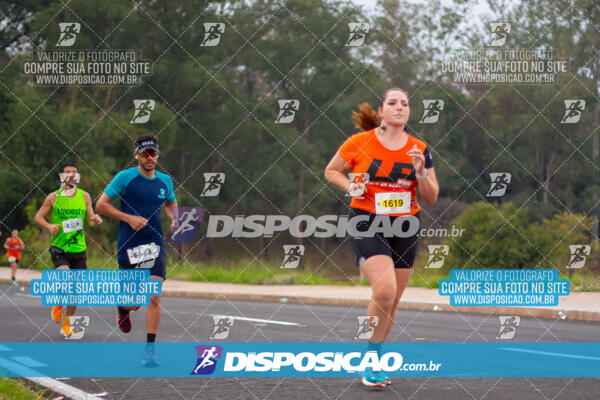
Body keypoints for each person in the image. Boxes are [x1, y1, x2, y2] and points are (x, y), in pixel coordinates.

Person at [324, 88, 439, 387]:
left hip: (405, 225)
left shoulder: (419, 148)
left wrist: (421, 172)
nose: (400, 107)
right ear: (381, 111)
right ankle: (369, 363)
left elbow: (431, 196)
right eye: (393, 103)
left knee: (393, 299)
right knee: (384, 290)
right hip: (367, 220)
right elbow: (332, 171)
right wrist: (350, 187)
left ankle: (374, 357)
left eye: (405, 103)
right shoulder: (359, 142)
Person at [96, 134, 177, 367]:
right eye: (145, 153)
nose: (150, 158)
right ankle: (123, 309)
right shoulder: (125, 178)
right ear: (137, 155)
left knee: (154, 295)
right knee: (133, 301)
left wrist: (174, 218)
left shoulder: (165, 181)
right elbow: (100, 205)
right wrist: (128, 218)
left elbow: (171, 203)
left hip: (154, 244)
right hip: (129, 246)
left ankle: (149, 350)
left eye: (153, 153)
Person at [34, 164, 103, 337]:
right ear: (61, 177)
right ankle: (58, 302)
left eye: (74, 173)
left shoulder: (85, 196)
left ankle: (67, 323)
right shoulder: (53, 197)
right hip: (60, 247)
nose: (71, 175)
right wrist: (49, 226)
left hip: (78, 248)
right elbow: (38, 217)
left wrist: (95, 218)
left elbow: (91, 216)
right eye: (67, 173)